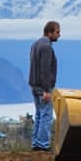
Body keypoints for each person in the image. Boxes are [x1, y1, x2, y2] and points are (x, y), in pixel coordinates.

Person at [28, 20, 60, 151]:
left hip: (34, 84)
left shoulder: (35, 44)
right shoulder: (47, 47)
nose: (59, 35)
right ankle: (42, 144)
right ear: (50, 32)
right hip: (43, 87)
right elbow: (45, 69)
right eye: (57, 32)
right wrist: (46, 90)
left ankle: (36, 142)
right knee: (46, 115)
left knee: (39, 114)